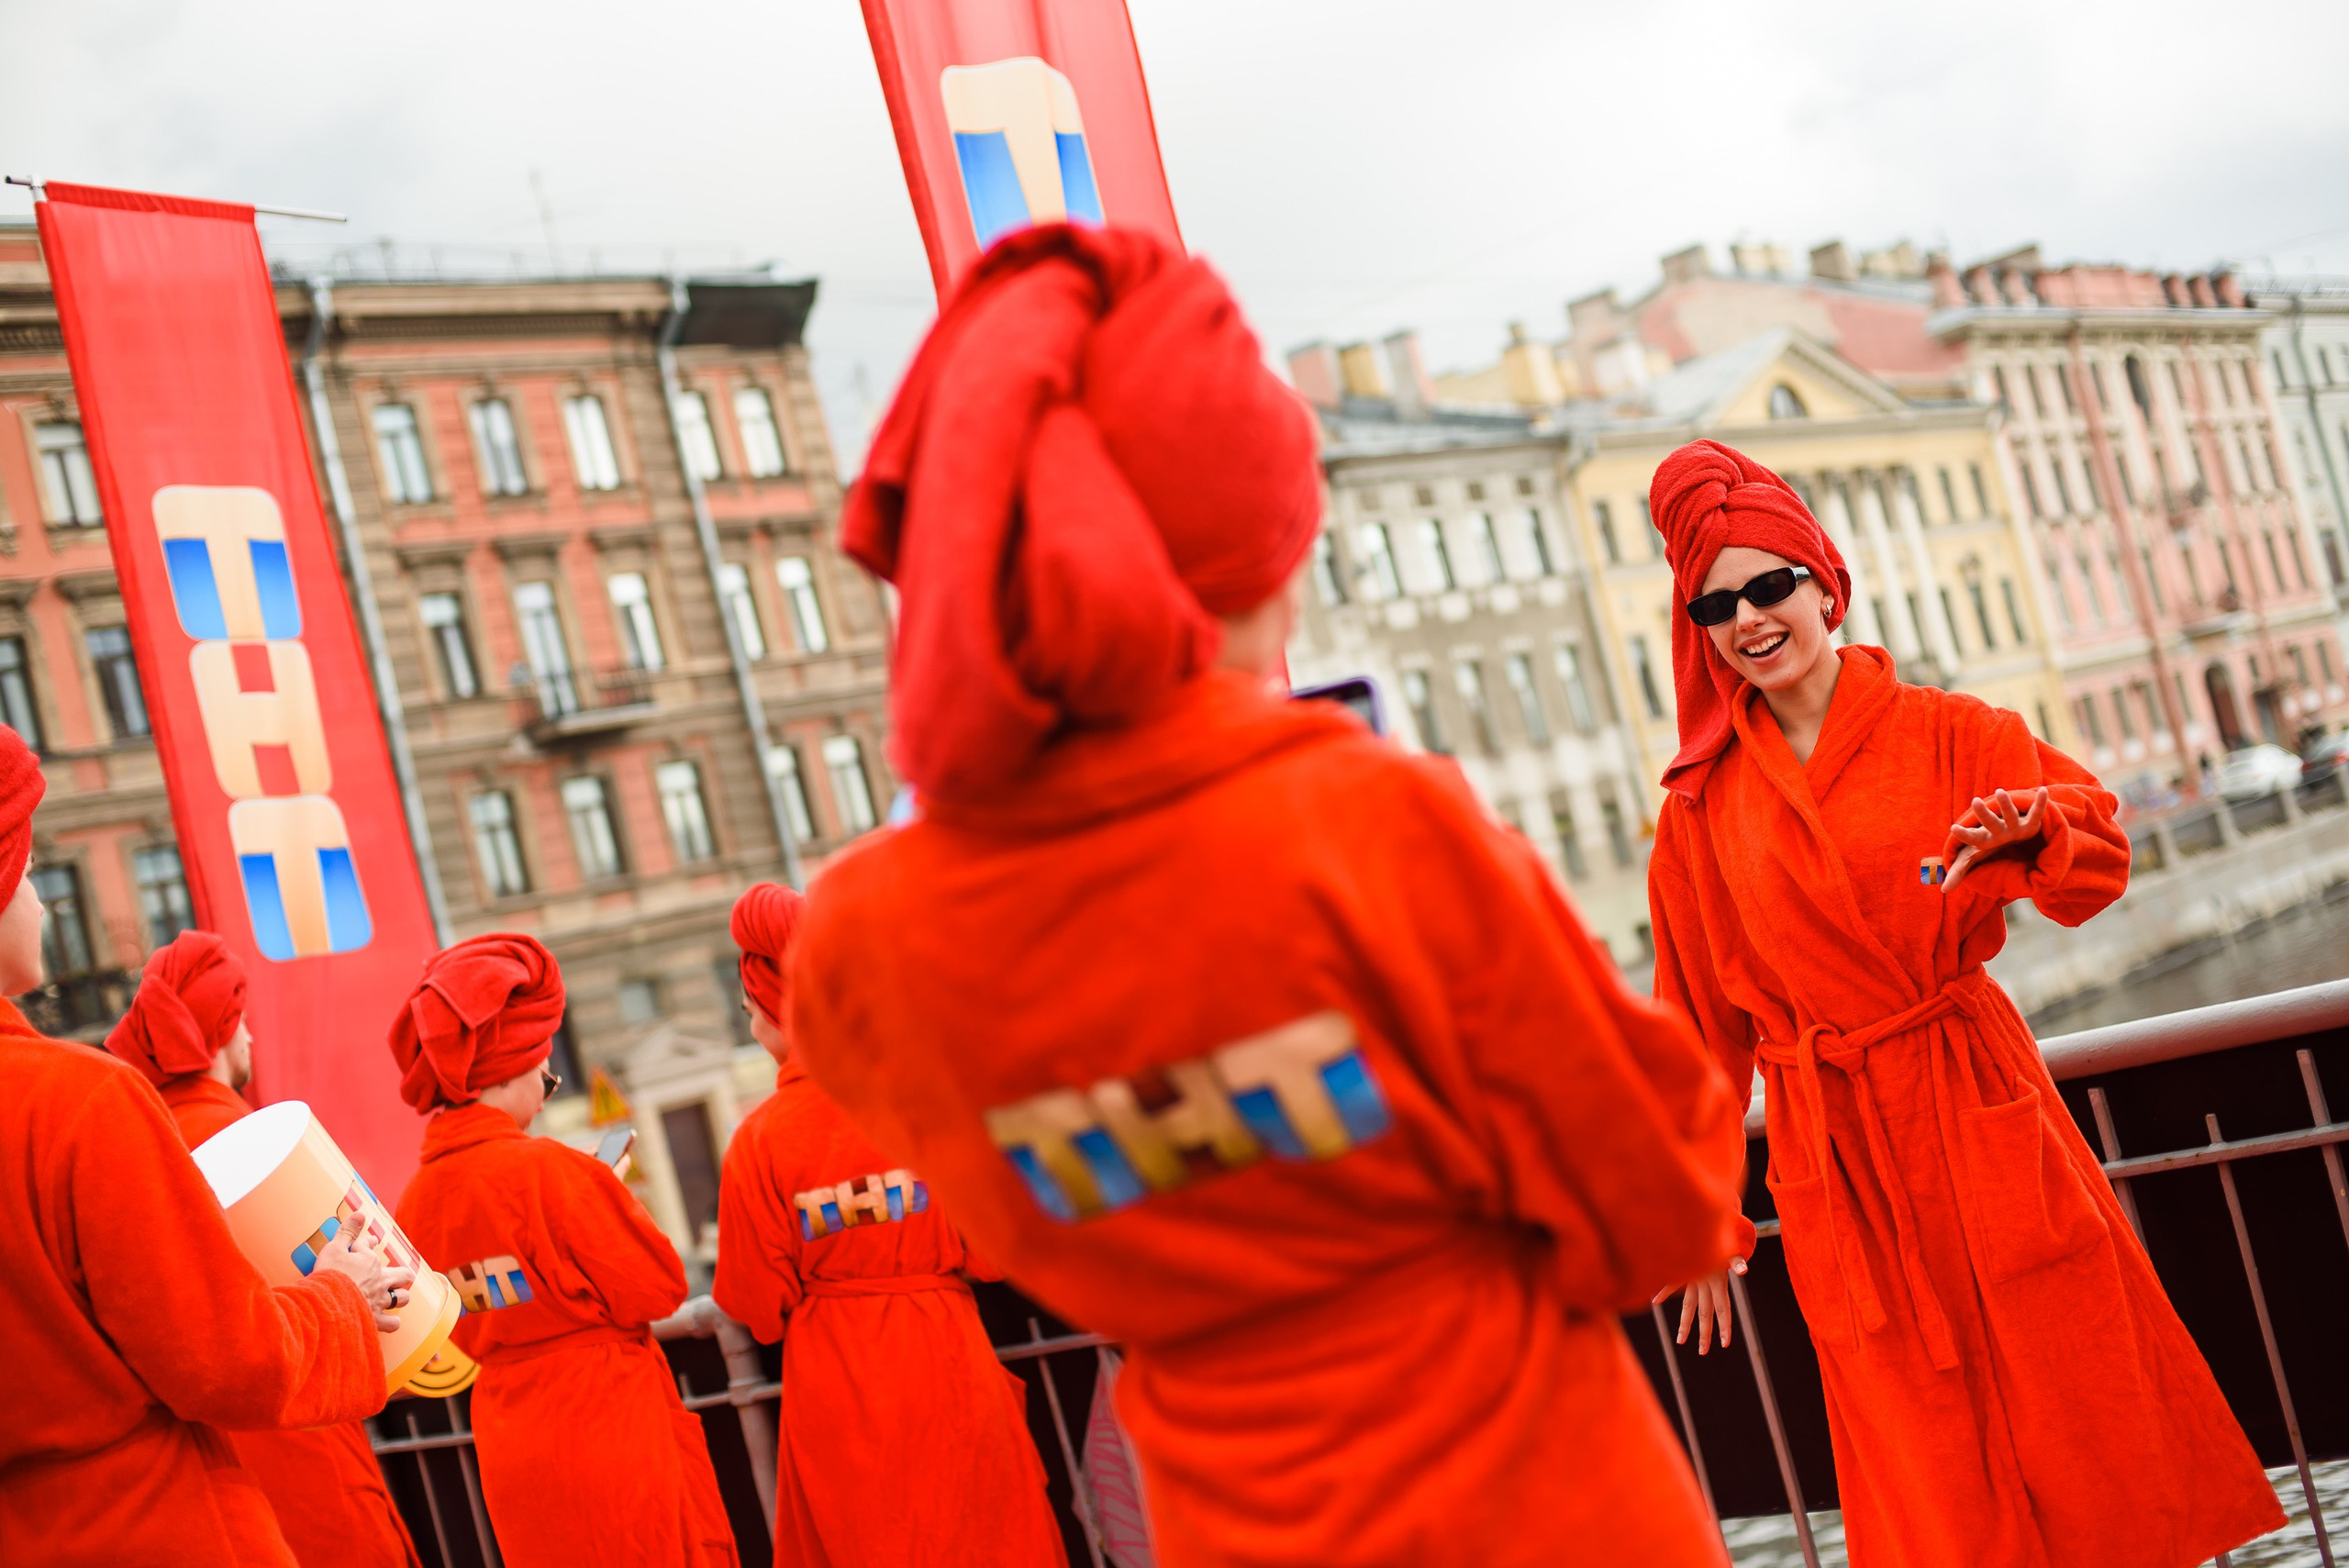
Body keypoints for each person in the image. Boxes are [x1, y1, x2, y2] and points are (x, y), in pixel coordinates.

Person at [786, 225, 1752, 1568]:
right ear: (1235, 551)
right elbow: (1659, 1198)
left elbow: (1010, 1217)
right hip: (1539, 1498)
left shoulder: (862, 941)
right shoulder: (1365, 819)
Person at [1642, 439, 2282, 1567]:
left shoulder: (1953, 733)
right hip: (1840, 1164)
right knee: (1926, 1461)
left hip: (1976, 1105)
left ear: (1822, 583)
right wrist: (1701, 1214)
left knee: (2080, 1410)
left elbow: (2097, 845)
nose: (1749, 616)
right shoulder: (1699, 811)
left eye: (1770, 584)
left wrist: (2034, 834)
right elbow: (1696, 1024)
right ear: (1696, 626)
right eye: (1715, 601)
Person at [0, 726, 408, 1567]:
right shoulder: (78, 1101)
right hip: (157, 1525)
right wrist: (344, 1297)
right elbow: (228, 1361)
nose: (40, 903)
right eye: (32, 872)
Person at [715, 883, 1066, 1567]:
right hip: (949, 1366)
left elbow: (753, 1306)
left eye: (752, 1011)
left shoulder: (759, 1141)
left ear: (774, 1015)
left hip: (838, 1389)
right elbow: (993, 1252)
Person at [389, 934, 738, 1568]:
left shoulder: (413, 1201)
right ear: (510, 1070)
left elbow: (447, 1333)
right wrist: (612, 1194)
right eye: (544, 1074)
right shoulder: (554, 1171)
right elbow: (658, 1288)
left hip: (508, 1437)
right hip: (607, 1424)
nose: (546, 1090)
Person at [106, 929, 423, 1568]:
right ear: (222, 1032)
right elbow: (388, 1285)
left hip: (213, 1475)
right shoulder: (256, 1141)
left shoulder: (144, 1147)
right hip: (307, 1437)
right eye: (242, 1017)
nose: (250, 1035)